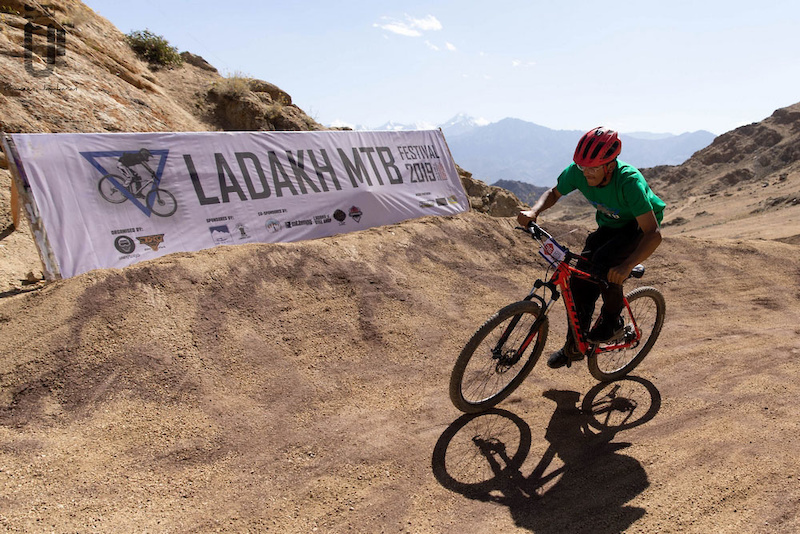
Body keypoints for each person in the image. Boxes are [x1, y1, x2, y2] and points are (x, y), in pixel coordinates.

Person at [517, 127, 666, 369]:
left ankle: (613, 321)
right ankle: (574, 346)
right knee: (578, 281)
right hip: (609, 225)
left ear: (610, 165)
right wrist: (534, 211)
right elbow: (554, 193)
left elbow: (653, 234)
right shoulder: (579, 172)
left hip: (639, 226)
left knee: (606, 264)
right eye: (583, 167)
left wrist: (626, 266)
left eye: (593, 168)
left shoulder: (629, 182)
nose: (586, 173)